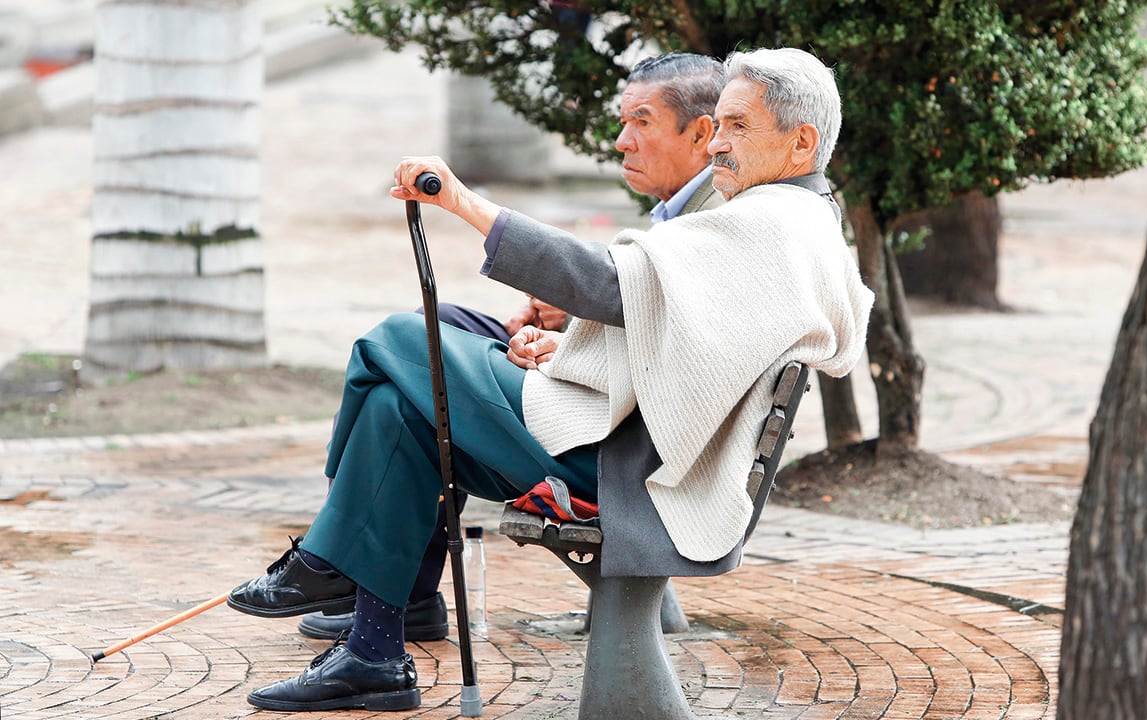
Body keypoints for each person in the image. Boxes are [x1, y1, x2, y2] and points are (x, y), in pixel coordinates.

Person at [229, 46, 873, 712]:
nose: (720, 142)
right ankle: (373, 653)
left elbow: (605, 282)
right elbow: (685, 343)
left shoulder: (769, 222)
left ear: (801, 143)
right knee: (401, 410)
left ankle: (327, 561)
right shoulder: (795, 218)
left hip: (627, 471)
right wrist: (569, 352)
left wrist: (462, 202)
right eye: (721, 122)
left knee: (396, 340)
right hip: (635, 449)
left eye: (739, 126)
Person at [232, 53, 730, 644]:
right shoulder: (694, 211)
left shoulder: (717, 221)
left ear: (701, 133)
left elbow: (673, 354)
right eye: (623, 122)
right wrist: (568, 332)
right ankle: (391, 612)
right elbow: (659, 329)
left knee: (398, 345)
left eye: (642, 122)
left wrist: (562, 344)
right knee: (424, 350)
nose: (622, 141)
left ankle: (336, 553)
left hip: (618, 461)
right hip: (612, 421)